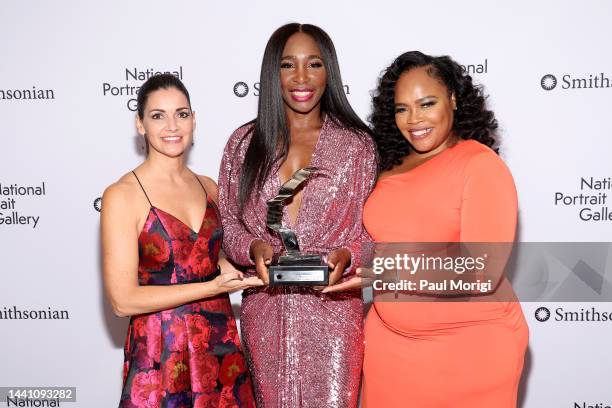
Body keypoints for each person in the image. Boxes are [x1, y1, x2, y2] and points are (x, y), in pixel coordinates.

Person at [331, 51, 528, 407]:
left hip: (470, 351)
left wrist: (385, 272)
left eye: (427, 103)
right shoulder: (389, 166)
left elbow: (480, 270)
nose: (414, 119)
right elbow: (380, 242)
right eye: (402, 108)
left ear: (453, 99)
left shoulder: (481, 166)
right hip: (390, 351)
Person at [217, 23, 377, 407]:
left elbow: (373, 233)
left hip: (334, 311)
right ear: (273, 72)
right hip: (265, 311)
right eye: (288, 65)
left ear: (330, 72)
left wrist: (348, 256)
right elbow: (228, 224)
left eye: (314, 64)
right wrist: (253, 246)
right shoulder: (244, 143)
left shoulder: (358, 146)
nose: (301, 77)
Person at [101, 73, 262, 407]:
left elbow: (209, 259)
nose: (172, 126)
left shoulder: (209, 188)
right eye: (158, 115)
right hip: (160, 349)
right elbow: (123, 300)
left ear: (194, 120)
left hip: (220, 345)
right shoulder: (123, 195)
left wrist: (258, 270)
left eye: (182, 113)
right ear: (140, 124)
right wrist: (211, 289)